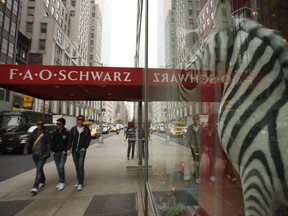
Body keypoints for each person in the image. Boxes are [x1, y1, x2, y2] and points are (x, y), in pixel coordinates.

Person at [23, 119, 52, 195]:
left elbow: (49, 143)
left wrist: (48, 152)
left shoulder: (46, 133)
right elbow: (29, 141)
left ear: (43, 124)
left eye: (42, 124)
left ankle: (35, 186)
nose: (40, 125)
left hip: (43, 154)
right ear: (36, 124)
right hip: (35, 154)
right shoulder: (34, 133)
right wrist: (26, 148)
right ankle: (42, 180)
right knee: (39, 169)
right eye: (39, 124)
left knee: (39, 169)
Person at [67, 115, 91, 191]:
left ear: (83, 120)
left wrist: (85, 147)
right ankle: (79, 180)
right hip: (74, 150)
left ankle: (80, 183)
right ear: (77, 120)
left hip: (82, 151)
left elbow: (88, 139)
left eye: (81, 119)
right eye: (79, 119)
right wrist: (68, 149)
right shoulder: (73, 129)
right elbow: (70, 140)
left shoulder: (86, 129)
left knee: (80, 165)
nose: (80, 120)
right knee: (77, 166)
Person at [51, 118, 70, 190]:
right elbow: (52, 142)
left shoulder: (66, 132)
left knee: (61, 167)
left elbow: (68, 142)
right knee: (58, 168)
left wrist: (66, 150)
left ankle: (62, 182)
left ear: (63, 124)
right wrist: (52, 150)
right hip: (55, 153)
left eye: (59, 124)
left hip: (62, 152)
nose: (57, 125)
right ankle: (60, 181)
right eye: (56, 124)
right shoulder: (54, 133)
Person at [202, 114, 219, 183]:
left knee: (214, 162)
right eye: (212, 122)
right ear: (210, 122)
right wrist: (205, 147)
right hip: (209, 148)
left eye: (214, 122)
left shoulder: (215, 129)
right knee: (212, 161)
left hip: (215, 148)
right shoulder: (206, 129)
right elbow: (203, 139)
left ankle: (211, 174)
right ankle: (211, 175)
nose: (213, 123)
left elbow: (217, 139)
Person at [185, 114, 202, 184]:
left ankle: (196, 175)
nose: (196, 120)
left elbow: (204, 137)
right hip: (193, 148)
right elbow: (187, 139)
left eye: (197, 119)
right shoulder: (190, 128)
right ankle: (196, 177)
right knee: (195, 162)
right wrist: (189, 147)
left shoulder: (201, 128)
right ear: (193, 120)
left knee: (198, 163)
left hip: (200, 148)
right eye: (195, 119)